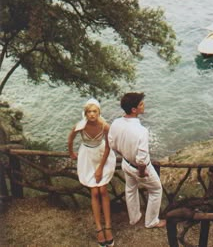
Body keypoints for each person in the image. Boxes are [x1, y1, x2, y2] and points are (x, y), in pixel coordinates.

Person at [108, 92, 166, 229]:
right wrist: (141, 172)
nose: (143, 105)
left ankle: (134, 217)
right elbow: (142, 159)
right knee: (156, 190)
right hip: (139, 168)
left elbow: (112, 144)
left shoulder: (116, 123)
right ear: (134, 110)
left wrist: (125, 153)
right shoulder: (141, 131)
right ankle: (151, 221)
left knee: (130, 189)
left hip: (126, 163)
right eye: (140, 104)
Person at [68, 98, 116, 247]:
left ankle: (108, 226)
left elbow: (108, 146)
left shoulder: (105, 126)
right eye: (89, 111)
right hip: (87, 158)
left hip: (103, 157)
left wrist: (100, 168)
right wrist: (71, 153)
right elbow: (70, 138)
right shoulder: (80, 126)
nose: (92, 114)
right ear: (85, 113)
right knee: (94, 193)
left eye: (95, 111)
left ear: (99, 112)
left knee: (103, 190)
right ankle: (98, 228)